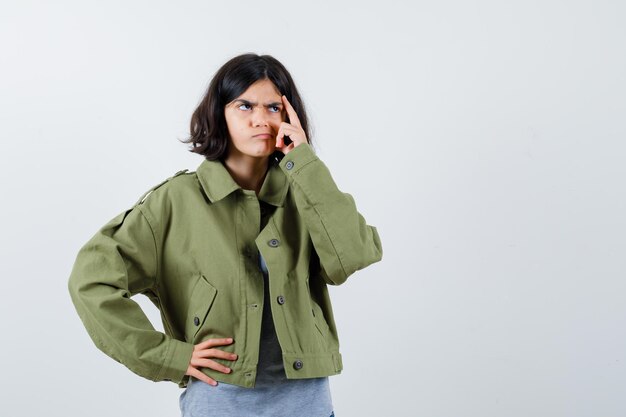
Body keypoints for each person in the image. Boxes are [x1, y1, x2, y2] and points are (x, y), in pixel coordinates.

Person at [68, 53, 383, 417]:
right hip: (218, 405)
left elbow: (354, 255)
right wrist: (170, 356)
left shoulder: (306, 189)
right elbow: (91, 279)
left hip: (307, 405)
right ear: (220, 114)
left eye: (273, 107)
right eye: (244, 106)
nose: (260, 119)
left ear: (289, 116)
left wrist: (306, 162)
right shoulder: (176, 200)